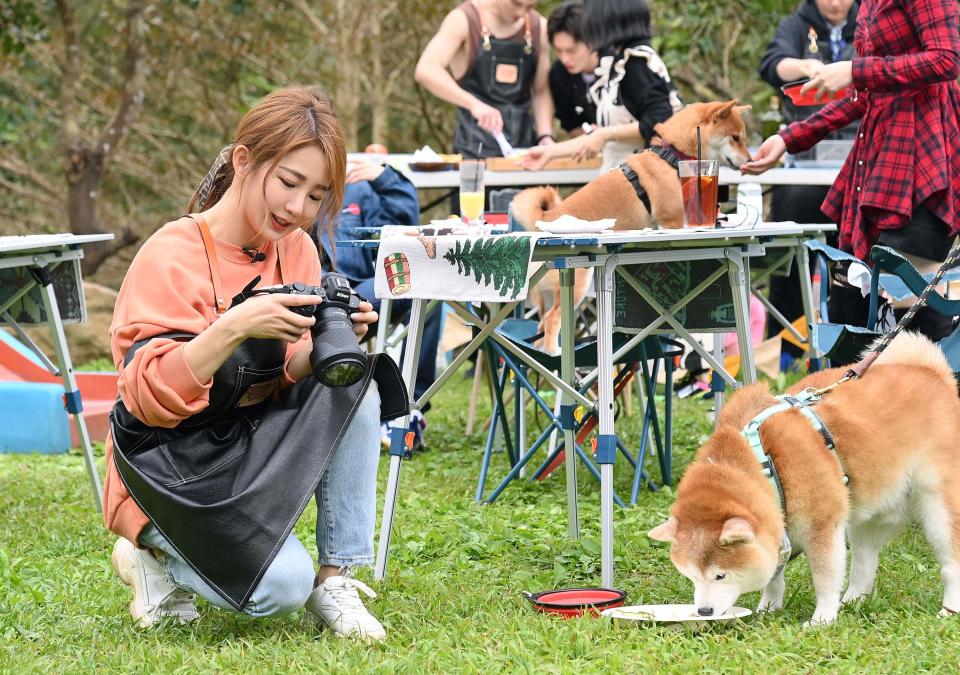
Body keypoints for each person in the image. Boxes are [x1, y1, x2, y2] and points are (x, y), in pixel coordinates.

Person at [104, 86, 406, 640]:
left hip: (250, 449)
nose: (297, 209)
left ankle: (337, 577)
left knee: (353, 382)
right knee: (279, 592)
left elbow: (284, 374)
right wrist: (236, 325)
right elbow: (146, 400)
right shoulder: (170, 253)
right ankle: (151, 556)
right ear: (244, 161)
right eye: (289, 183)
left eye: (316, 196)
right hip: (170, 466)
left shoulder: (298, 249)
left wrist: (327, 347)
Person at [743, 0, 960, 342]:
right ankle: (856, 388)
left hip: (922, 155)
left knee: (916, 314)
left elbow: (947, 59)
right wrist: (790, 137)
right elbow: (864, 96)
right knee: (850, 302)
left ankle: (935, 392)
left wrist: (856, 71)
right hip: (878, 156)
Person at [757, 0, 860, 367]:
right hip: (805, 157)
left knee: (851, 264)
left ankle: (849, 354)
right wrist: (805, 67)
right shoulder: (797, 26)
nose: (834, 2)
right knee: (789, 262)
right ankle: (785, 355)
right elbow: (772, 65)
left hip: (858, 156)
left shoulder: (871, 22)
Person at [314, 157, 439, 447]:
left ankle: (408, 403)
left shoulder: (357, 189)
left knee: (425, 290)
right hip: (318, 290)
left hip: (366, 287)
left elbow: (405, 218)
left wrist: (384, 177)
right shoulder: (297, 186)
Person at [520, 0, 682, 171]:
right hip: (622, 175)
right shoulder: (617, 64)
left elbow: (661, 119)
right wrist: (550, 152)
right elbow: (598, 136)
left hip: (647, 175)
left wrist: (606, 134)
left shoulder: (636, 60)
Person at [414, 0, 555, 158]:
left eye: (530, 7)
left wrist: (545, 136)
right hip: (473, 152)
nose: (522, 13)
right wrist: (474, 104)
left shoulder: (538, 27)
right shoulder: (464, 19)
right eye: (516, 4)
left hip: (525, 152)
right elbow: (427, 69)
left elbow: (541, 91)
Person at [547, 2, 598, 138]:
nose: (564, 59)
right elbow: (570, 123)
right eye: (558, 50)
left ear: (594, 40)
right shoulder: (559, 74)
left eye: (571, 51)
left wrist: (606, 134)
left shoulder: (618, 67)